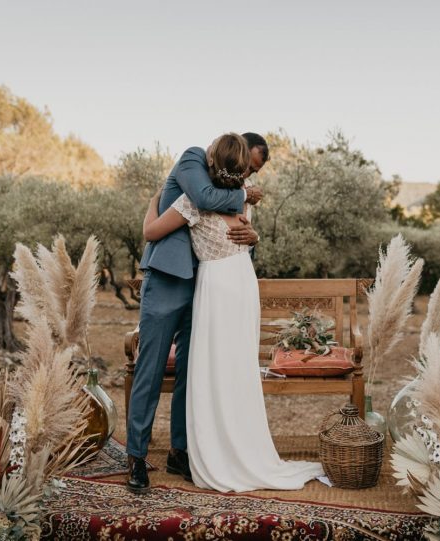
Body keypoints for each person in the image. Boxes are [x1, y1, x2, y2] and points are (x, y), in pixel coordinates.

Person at [142, 133, 323, 492]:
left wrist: (154, 200)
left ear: (210, 161)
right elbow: (240, 230)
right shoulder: (245, 204)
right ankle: (237, 448)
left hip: (216, 287)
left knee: (210, 370)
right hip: (242, 284)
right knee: (235, 369)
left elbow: (151, 231)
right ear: (241, 171)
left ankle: (214, 451)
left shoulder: (191, 203)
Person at [125, 133, 265, 494]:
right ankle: (136, 456)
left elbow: (230, 231)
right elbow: (200, 200)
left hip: (206, 286)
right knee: (151, 368)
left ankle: (181, 451)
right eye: (247, 168)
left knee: (192, 372)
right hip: (169, 280)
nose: (247, 176)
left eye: (251, 173)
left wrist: (253, 235)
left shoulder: (232, 191)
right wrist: (244, 195)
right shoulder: (193, 159)